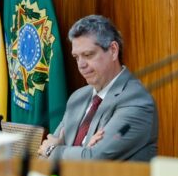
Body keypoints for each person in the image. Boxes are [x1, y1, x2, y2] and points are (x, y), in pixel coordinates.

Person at [38, 15, 158, 160]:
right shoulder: (78, 97)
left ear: (113, 50)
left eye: (88, 55)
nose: (81, 65)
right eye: (76, 57)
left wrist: (54, 150)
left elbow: (94, 158)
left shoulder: (137, 102)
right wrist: (81, 152)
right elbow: (42, 156)